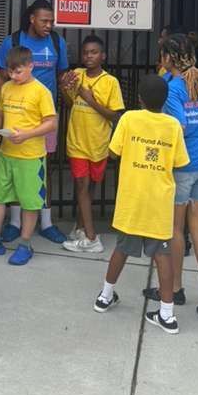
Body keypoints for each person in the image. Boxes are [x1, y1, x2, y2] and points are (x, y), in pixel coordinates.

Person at [94, 74, 189, 334]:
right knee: (162, 255)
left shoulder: (129, 119)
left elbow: (113, 152)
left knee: (121, 249)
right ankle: (167, 314)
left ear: (139, 99)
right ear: (166, 100)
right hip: (159, 202)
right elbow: (180, 162)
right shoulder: (173, 125)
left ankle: (105, 296)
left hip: (132, 199)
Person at [143, 33, 198, 319]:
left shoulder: (175, 88)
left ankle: (176, 288)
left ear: (167, 58)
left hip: (184, 166)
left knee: (176, 230)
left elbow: (180, 126)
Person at [0, 45, 57, 266]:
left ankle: (25, 244)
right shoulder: (6, 88)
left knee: (30, 201)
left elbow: (52, 122)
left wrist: (27, 135)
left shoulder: (41, 91)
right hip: (7, 153)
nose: (14, 76)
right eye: (11, 72)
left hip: (31, 156)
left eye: (19, 71)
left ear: (30, 66)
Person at [0, 0, 69, 243]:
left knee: (41, 170)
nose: (49, 25)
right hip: (16, 115)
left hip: (45, 116)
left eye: (52, 21)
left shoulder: (58, 42)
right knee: (16, 170)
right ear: (32, 19)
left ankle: (46, 223)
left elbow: (62, 77)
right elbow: (0, 77)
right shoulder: (12, 42)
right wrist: (2, 113)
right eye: (44, 20)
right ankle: (15, 222)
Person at [59, 35, 124, 253]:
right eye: (86, 52)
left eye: (94, 52)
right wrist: (63, 89)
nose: (88, 56)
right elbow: (69, 104)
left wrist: (89, 98)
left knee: (89, 189)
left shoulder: (110, 82)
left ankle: (80, 226)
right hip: (77, 142)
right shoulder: (76, 74)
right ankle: (91, 236)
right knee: (81, 186)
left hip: (98, 143)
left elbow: (114, 115)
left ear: (103, 56)